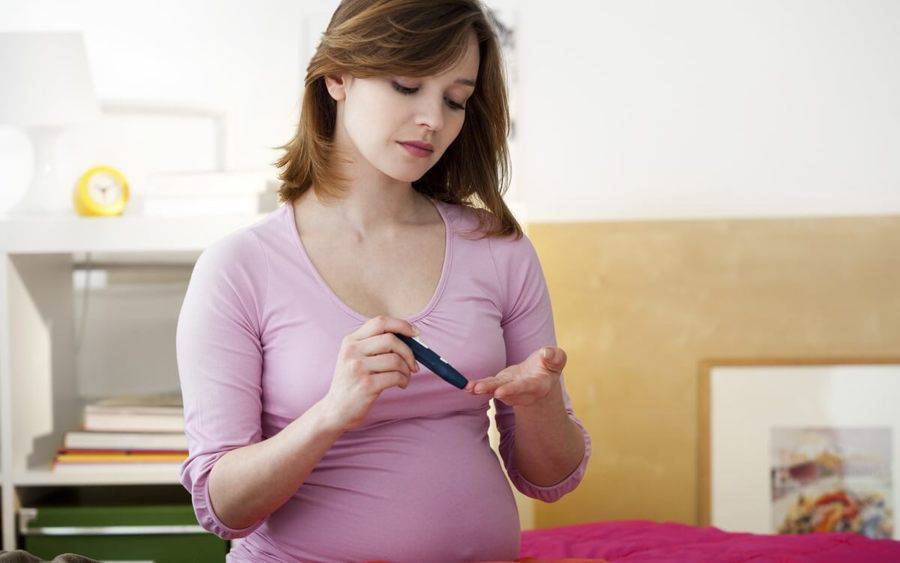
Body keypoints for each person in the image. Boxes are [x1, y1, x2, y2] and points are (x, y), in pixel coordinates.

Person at [176, 0, 592, 561]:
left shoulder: (499, 248)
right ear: (337, 76)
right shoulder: (238, 268)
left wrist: (543, 407)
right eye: (406, 85)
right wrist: (332, 412)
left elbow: (550, 478)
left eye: (455, 100)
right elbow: (222, 508)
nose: (434, 119)